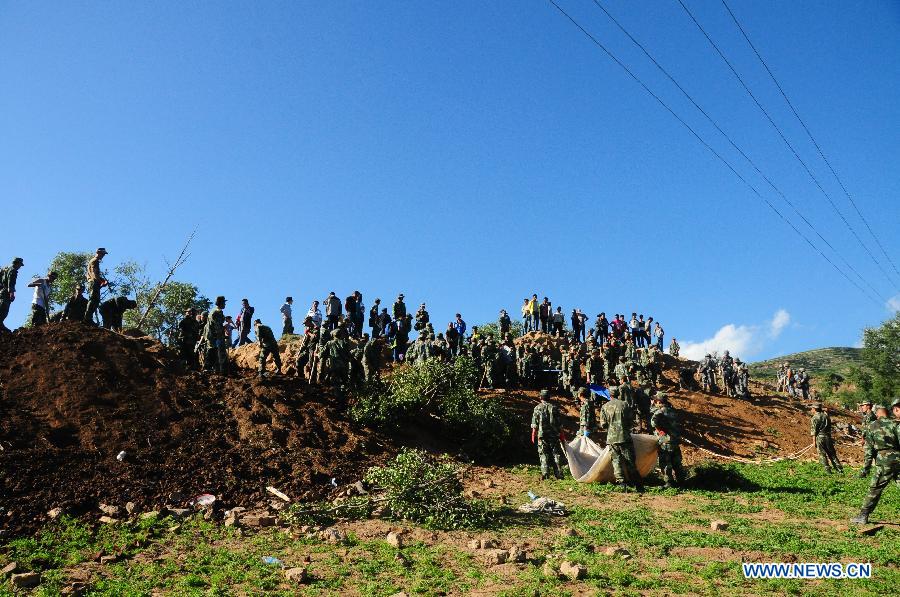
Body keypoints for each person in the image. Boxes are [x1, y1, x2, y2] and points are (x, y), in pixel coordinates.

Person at [851, 399, 900, 524]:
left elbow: (869, 450)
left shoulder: (872, 426)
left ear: (877, 413)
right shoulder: (895, 424)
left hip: (884, 460)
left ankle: (863, 515)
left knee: (875, 488)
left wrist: (866, 468)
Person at [600, 386, 643, 492]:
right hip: (625, 437)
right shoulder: (625, 404)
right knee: (630, 461)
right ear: (618, 393)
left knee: (616, 461)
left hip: (612, 438)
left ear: (610, 394)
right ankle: (638, 485)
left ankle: (622, 484)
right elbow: (630, 421)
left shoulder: (604, 407)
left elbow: (603, 424)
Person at [531, 390, 566, 480]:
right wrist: (562, 435)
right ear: (549, 397)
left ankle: (545, 474)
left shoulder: (537, 408)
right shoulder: (554, 408)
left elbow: (534, 424)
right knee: (556, 454)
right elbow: (560, 425)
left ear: (540, 397)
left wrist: (533, 434)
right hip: (554, 435)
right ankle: (559, 474)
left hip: (542, 435)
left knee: (543, 454)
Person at [651, 393, 684, 488]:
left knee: (665, 463)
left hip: (665, 441)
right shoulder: (672, 410)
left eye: (655, 401)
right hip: (675, 440)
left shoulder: (660, 412)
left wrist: (659, 430)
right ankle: (681, 481)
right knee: (677, 462)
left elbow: (653, 423)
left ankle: (669, 483)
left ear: (659, 401)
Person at [810, 403, 843, 474]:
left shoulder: (814, 418)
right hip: (828, 437)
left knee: (822, 454)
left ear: (814, 409)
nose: (811, 409)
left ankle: (828, 471)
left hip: (820, 437)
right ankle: (840, 470)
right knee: (832, 454)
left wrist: (814, 442)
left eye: (812, 408)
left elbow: (814, 431)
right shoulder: (826, 416)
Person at [83, 248, 108, 324]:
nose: (103, 256)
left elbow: (93, 273)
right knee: (93, 300)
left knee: (95, 301)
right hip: (93, 283)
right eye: (102, 254)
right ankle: (87, 318)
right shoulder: (95, 261)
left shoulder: (93, 261)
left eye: (104, 254)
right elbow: (94, 273)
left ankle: (88, 317)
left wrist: (102, 280)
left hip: (93, 282)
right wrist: (101, 282)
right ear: (98, 253)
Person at [204, 296, 228, 375]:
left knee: (213, 350)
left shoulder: (212, 311)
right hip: (215, 335)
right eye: (224, 302)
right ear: (221, 303)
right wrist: (221, 335)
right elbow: (217, 325)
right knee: (213, 350)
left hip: (211, 334)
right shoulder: (218, 312)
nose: (225, 304)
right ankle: (208, 368)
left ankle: (211, 368)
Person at [0, 257, 24, 331]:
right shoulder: (13, 271)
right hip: (6, 293)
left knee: (2, 307)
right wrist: (11, 293)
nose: (20, 267)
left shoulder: (5, 268)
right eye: (20, 265)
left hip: (1, 291)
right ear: (17, 263)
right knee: (4, 309)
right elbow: (11, 283)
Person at [857, 400, 876, 479]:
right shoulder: (869, 415)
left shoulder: (869, 416)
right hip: (871, 439)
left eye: (863, 405)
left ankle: (864, 473)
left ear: (868, 406)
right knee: (874, 455)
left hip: (869, 439)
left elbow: (867, 429)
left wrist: (863, 438)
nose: (862, 407)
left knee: (868, 456)